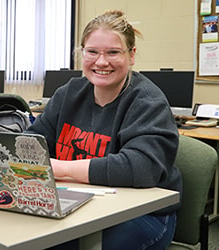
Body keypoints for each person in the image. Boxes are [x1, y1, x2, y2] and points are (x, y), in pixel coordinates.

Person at [26, 10, 182, 250]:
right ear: (82, 53)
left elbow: (141, 168)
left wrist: (61, 167)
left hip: (142, 213)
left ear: (131, 56)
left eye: (113, 52)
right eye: (92, 52)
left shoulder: (147, 101)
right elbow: (31, 142)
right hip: (79, 202)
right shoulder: (69, 93)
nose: (101, 62)